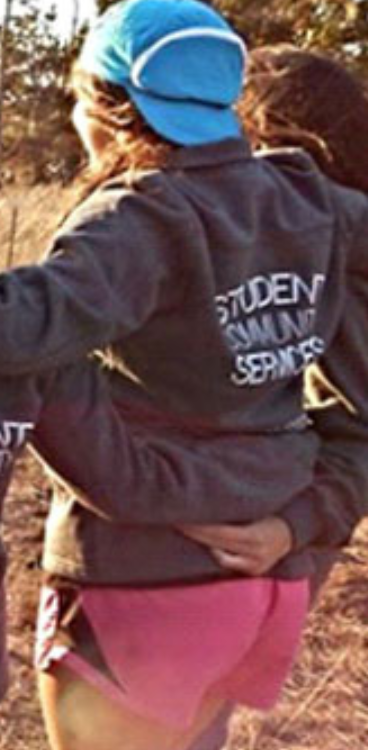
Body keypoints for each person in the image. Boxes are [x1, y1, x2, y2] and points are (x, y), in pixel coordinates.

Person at [0, 2, 368, 749]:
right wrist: (299, 520)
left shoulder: (139, 217)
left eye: (78, 99)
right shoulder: (304, 194)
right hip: (264, 579)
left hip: (142, 585)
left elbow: (21, 327)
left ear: (112, 111)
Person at [185, 43, 368, 750]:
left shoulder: (341, 255)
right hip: (235, 516)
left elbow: (360, 426)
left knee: (195, 714)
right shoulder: (244, 236)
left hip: (273, 528)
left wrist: (291, 527)